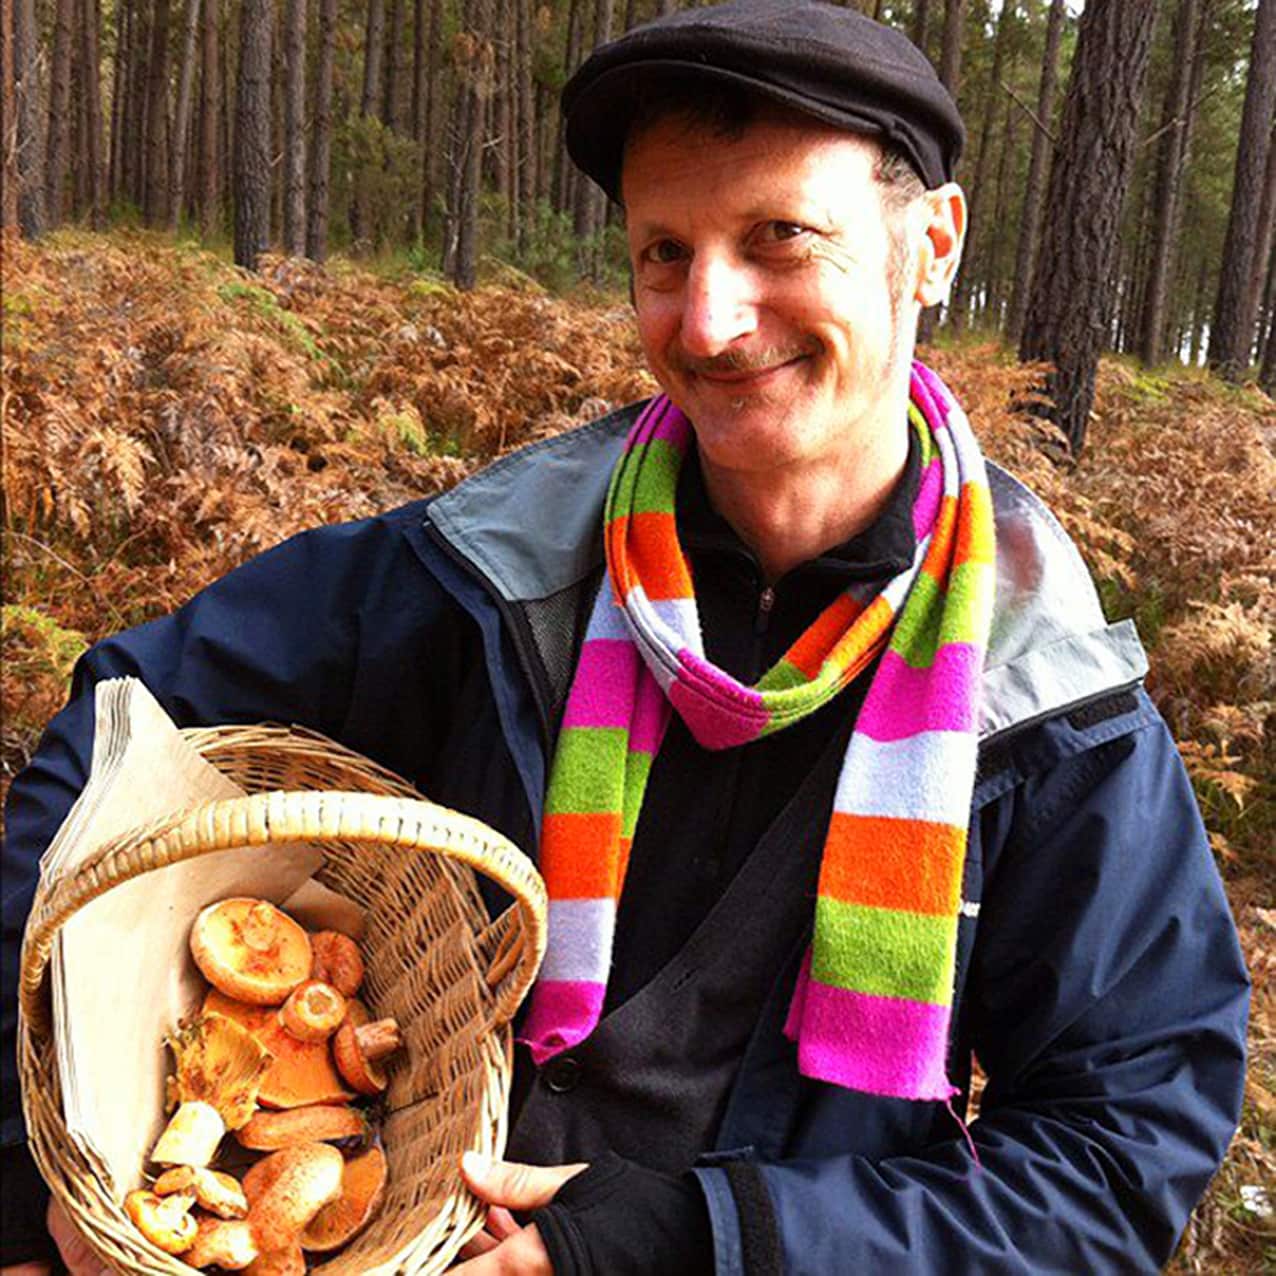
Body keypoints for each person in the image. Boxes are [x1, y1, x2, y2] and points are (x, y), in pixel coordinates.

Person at [0, 2, 1249, 1273]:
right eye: (665, 253)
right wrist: (31, 1164)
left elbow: (1117, 1155)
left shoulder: (1041, 697)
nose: (706, 322)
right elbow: (127, 719)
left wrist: (702, 1239)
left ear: (930, 244)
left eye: (779, 239)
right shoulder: (498, 569)